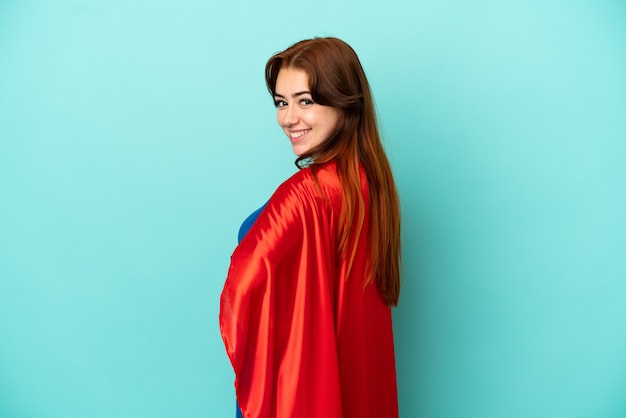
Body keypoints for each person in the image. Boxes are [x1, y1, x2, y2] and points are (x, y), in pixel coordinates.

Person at [220, 37, 401, 418]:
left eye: (306, 101)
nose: (289, 118)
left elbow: (244, 285)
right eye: (282, 103)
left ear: (345, 102)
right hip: (347, 394)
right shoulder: (368, 184)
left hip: (294, 393)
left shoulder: (306, 195)